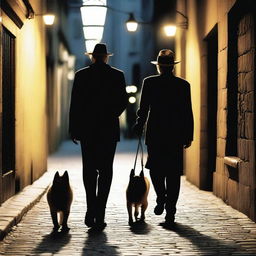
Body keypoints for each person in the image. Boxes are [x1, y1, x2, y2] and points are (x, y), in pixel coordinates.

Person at [69, 43, 128, 231]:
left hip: (88, 130)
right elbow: (123, 102)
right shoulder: (117, 75)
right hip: (108, 130)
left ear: (92, 57)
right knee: (105, 171)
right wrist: (111, 114)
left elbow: (76, 104)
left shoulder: (81, 75)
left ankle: (90, 208)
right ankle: (100, 212)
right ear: (106, 57)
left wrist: (74, 128)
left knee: (89, 170)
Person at [133, 49, 194, 228]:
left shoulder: (149, 83)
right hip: (175, 134)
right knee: (173, 173)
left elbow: (143, 108)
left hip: (156, 133)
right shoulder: (183, 85)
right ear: (172, 67)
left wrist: (139, 123)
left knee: (156, 169)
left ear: (159, 66)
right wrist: (188, 134)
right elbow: (187, 112)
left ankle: (161, 197)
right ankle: (171, 210)